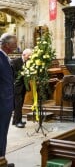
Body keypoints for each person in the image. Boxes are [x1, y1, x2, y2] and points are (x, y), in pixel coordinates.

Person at [0, 33, 17, 167]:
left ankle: (2, 159)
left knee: (3, 132)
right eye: (14, 44)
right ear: (7, 45)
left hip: (6, 103)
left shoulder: (4, 57)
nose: (16, 46)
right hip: (2, 103)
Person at [11, 48, 32, 128]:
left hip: (24, 86)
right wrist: (23, 73)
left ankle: (15, 120)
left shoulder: (28, 62)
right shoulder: (15, 61)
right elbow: (13, 73)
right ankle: (18, 122)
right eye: (29, 56)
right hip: (17, 86)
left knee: (21, 103)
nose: (30, 57)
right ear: (24, 55)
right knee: (18, 104)